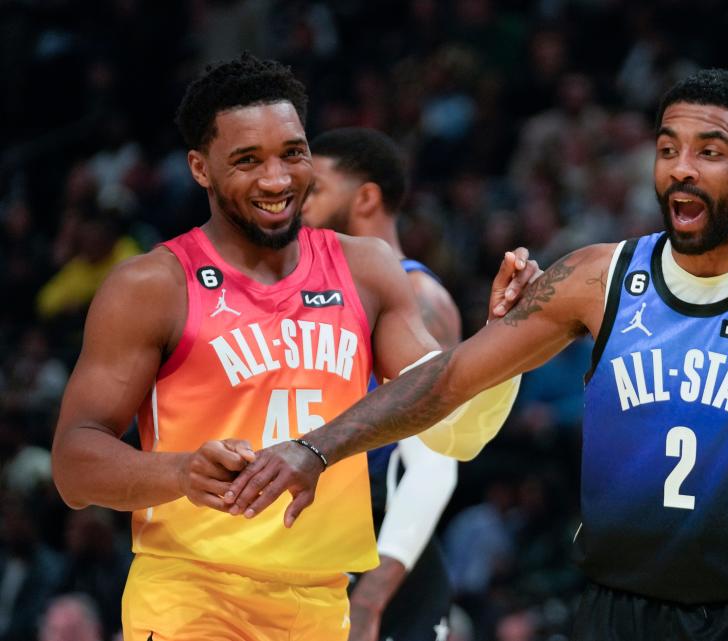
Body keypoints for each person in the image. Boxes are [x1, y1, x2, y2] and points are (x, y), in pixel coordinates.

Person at [225, 69, 728, 640]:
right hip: (615, 613)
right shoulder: (598, 277)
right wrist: (316, 447)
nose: (681, 169)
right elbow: (448, 392)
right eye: (667, 147)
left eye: (709, 151)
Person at [50, 53, 537, 640]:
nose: (278, 180)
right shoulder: (152, 286)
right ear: (200, 169)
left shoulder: (368, 269)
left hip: (320, 603)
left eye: (293, 153)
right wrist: (181, 473)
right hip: (191, 598)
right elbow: (74, 466)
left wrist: (503, 346)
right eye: (248, 160)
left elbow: (451, 430)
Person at [303, 127, 461, 641]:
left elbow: (435, 463)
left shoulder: (421, 301)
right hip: (306, 542)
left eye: (315, 190)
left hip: (383, 552)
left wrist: (371, 597)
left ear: (366, 197)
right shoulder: (301, 295)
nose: (296, 203)